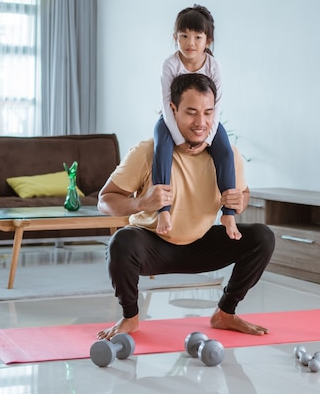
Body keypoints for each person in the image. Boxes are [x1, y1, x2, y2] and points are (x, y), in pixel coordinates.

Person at [97, 73, 275, 340]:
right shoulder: (147, 151)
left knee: (262, 237)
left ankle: (225, 312)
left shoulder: (228, 155)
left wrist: (240, 201)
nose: (201, 122)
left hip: (201, 243)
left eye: (208, 112)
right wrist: (141, 202)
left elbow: (244, 192)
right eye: (191, 113)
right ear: (173, 110)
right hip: (152, 245)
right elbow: (105, 200)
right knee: (122, 242)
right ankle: (130, 317)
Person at [153, 4, 240, 240]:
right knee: (161, 147)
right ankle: (163, 210)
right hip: (172, 118)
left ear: (208, 40)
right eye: (184, 36)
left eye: (197, 37)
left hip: (207, 123)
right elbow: (166, 103)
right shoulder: (170, 64)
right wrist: (180, 140)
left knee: (225, 153)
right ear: (175, 37)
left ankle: (229, 213)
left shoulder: (214, 66)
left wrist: (207, 138)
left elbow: (217, 106)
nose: (190, 42)